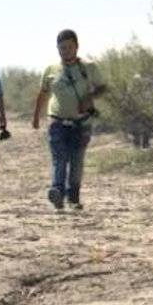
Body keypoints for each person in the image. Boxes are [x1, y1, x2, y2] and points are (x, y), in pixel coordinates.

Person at [32, 29, 107, 210]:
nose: (65, 51)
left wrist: (89, 98)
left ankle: (73, 197)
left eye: (69, 47)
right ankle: (57, 191)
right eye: (62, 48)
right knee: (59, 158)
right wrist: (36, 116)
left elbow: (103, 88)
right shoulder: (51, 70)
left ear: (76, 47)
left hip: (81, 123)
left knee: (76, 160)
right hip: (57, 121)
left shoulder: (89, 68)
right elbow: (43, 93)